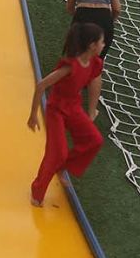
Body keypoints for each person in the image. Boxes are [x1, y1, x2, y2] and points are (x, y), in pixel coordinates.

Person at [27, 22, 106, 206]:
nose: (104, 45)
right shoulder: (70, 66)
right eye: (102, 42)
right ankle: (37, 192)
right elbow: (41, 85)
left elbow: (94, 84)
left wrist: (91, 110)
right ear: (92, 45)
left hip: (74, 107)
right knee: (57, 152)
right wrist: (33, 115)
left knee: (94, 140)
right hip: (57, 110)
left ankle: (63, 167)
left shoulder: (95, 63)